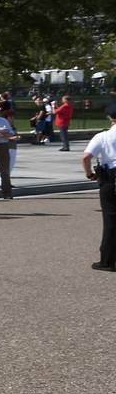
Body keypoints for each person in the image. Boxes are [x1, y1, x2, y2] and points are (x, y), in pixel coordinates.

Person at [81, 103, 116, 272]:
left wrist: (89, 174)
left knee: (110, 219)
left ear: (110, 118)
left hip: (111, 178)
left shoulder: (103, 136)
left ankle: (108, 260)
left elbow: (86, 157)